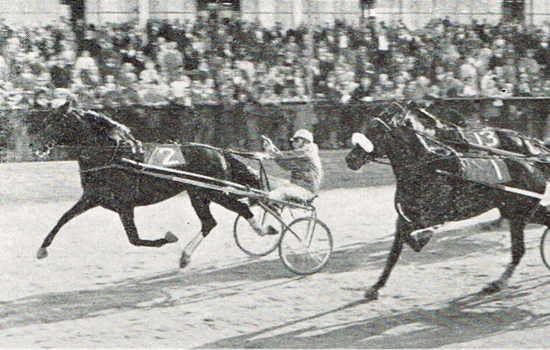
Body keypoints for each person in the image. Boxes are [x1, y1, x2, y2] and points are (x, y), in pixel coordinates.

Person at [258, 129, 323, 204]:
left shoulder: (308, 150)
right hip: (297, 186)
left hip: (306, 191)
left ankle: (266, 201)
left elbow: (287, 155)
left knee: (282, 191)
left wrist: (270, 153)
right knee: (270, 180)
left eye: (297, 140)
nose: (293, 143)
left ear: (305, 141)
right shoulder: (301, 157)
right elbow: (286, 165)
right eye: (293, 141)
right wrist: (271, 150)